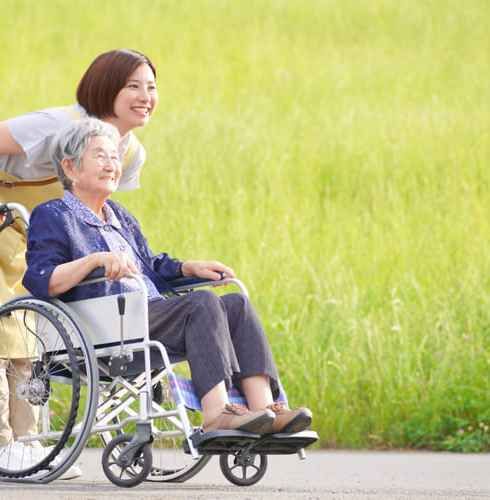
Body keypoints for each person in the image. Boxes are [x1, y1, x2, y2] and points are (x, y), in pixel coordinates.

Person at [0, 49, 158, 479]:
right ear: (106, 89)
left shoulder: (130, 151)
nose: (145, 96)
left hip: (27, 229)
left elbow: (95, 207)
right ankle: (1, 446)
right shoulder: (60, 123)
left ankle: (30, 445)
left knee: (31, 334)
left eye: (151, 87)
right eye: (133, 86)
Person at [23, 118, 313, 435]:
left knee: (236, 305)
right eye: (100, 156)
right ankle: (216, 414)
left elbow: (149, 264)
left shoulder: (119, 215)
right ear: (70, 168)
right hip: (107, 324)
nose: (112, 165)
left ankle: (263, 411)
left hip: (150, 313)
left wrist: (188, 268)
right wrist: (95, 261)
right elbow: (42, 278)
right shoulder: (53, 215)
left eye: (115, 157)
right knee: (201, 302)